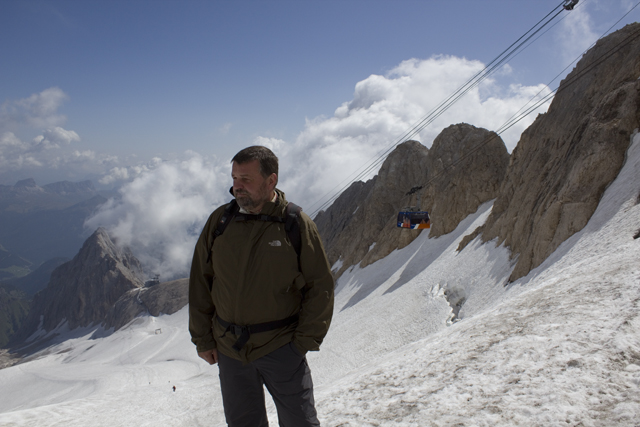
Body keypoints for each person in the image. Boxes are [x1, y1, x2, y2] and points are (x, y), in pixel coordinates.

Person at [189, 145, 334, 427]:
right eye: (234, 179)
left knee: (300, 423)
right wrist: (203, 338)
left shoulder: (295, 224)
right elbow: (201, 281)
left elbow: (320, 287)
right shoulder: (220, 221)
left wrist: (301, 344)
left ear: (271, 180)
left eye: (246, 179)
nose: (237, 187)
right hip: (230, 350)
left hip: (281, 348)